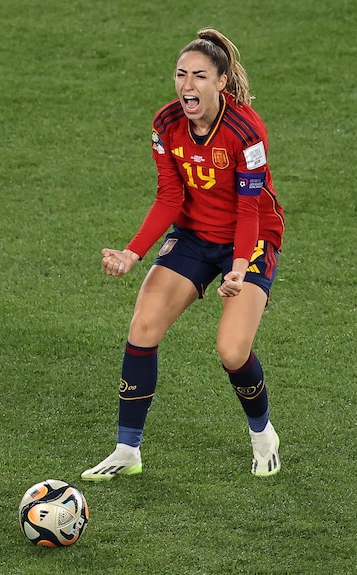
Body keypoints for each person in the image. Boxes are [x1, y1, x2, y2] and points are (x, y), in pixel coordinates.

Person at [81, 28, 285, 481]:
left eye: (198, 76)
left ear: (221, 82)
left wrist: (237, 271)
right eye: (180, 75)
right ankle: (127, 449)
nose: (187, 85)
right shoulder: (165, 123)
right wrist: (133, 253)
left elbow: (249, 209)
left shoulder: (247, 130)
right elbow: (170, 197)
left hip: (249, 239)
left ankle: (262, 433)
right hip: (193, 235)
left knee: (232, 350)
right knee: (143, 326)